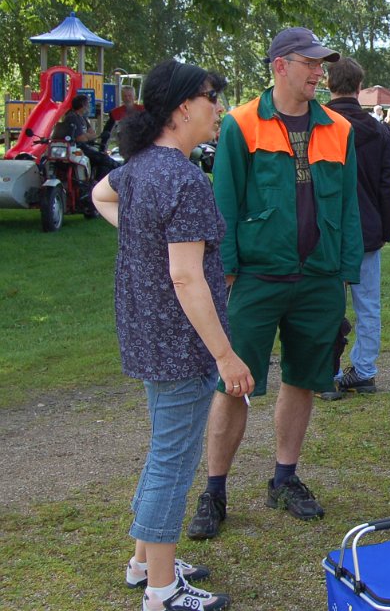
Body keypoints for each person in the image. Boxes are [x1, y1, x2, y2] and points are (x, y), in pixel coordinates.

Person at [185, 27, 362, 540]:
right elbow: (225, 203)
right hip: (258, 278)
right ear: (280, 65)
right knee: (232, 382)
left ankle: (285, 478)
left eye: (322, 65)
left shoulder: (339, 128)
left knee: (304, 378)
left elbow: (349, 207)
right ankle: (214, 491)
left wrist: (345, 271)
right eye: (310, 63)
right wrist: (228, 274)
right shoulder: (241, 123)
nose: (319, 73)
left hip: (319, 277)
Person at [92, 60, 254, 611]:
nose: (219, 109)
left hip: (145, 334)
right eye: (212, 98)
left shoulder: (138, 168)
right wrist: (227, 356)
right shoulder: (183, 177)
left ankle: (145, 562)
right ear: (183, 106)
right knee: (172, 459)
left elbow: (100, 196)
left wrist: (143, 238)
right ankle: (162, 590)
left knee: (164, 448)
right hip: (179, 343)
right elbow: (187, 277)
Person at [322, 57, 390, 399]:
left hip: (327, 230)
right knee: (367, 304)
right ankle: (364, 369)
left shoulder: (319, 124)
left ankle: (330, 370)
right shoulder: (377, 129)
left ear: (328, 83)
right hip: (366, 227)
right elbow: (387, 185)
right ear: (358, 87)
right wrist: (384, 228)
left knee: (328, 303)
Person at [57, 94, 118, 179]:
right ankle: (97, 185)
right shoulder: (72, 117)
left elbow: (92, 133)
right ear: (82, 105)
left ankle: (95, 182)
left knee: (104, 162)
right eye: (87, 104)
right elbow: (81, 138)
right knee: (104, 160)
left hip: (84, 147)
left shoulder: (82, 118)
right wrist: (87, 136)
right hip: (77, 150)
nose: (89, 106)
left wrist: (86, 135)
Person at [100, 84, 144, 150]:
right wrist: (103, 148)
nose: (127, 98)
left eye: (129, 96)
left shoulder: (143, 110)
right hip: (123, 144)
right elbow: (108, 131)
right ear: (122, 98)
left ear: (134, 97)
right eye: (125, 96)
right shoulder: (116, 113)